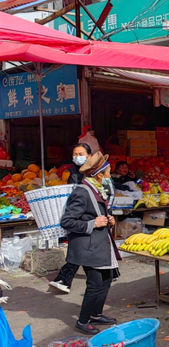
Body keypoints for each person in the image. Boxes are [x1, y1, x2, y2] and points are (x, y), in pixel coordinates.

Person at [60, 152, 120, 335]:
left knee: (107, 279)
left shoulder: (96, 190)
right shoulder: (82, 192)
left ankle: (96, 314)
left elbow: (94, 213)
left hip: (99, 244)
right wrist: (92, 223)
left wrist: (108, 219)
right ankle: (83, 321)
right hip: (88, 247)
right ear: (99, 174)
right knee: (95, 283)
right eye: (108, 172)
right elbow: (67, 221)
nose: (110, 176)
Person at [49, 143, 93, 293]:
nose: (77, 157)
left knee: (81, 248)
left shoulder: (96, 171)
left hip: (92, 212)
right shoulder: (72, 172)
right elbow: (71, 193)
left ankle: (64, 279)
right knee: (80, 247)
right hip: (78, 214)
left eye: (81, 154)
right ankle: (64, 279)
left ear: (89, 156)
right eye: (75, 154)